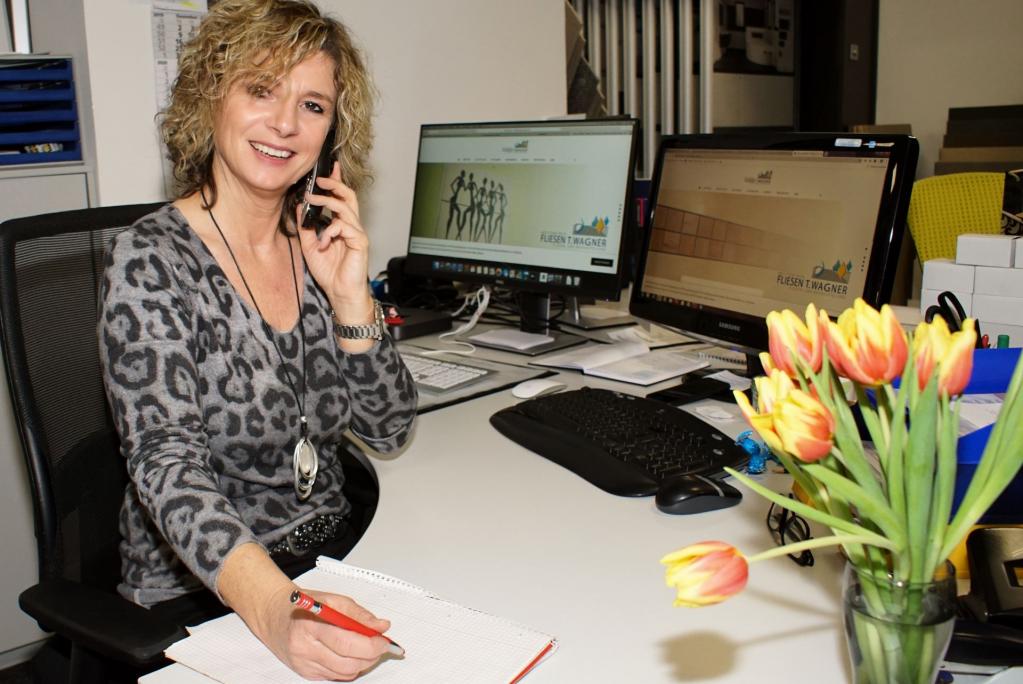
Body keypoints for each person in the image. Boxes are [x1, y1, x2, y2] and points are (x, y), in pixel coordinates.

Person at [97, 0, 418, 679]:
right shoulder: (150, 260)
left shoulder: (320, 245)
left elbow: (389, 431)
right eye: (261, 90)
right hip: (204, 590)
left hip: (332, 553)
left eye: (312, 105)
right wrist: (276, 607)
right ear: (210, 99)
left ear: (331, 133)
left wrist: (350, 298)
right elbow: (166, 465)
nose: (284, 123)